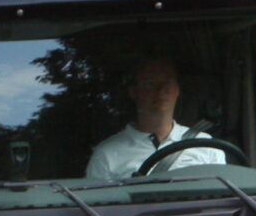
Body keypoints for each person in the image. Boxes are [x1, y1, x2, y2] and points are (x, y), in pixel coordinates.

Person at [86, 58, 218, 181]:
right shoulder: (107, 153)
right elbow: (96, 204)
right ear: (134, 92)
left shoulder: (205, 144)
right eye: (150, 83)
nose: (160, 90)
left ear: (177, 90)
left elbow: (221, 198)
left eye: (167, 82)